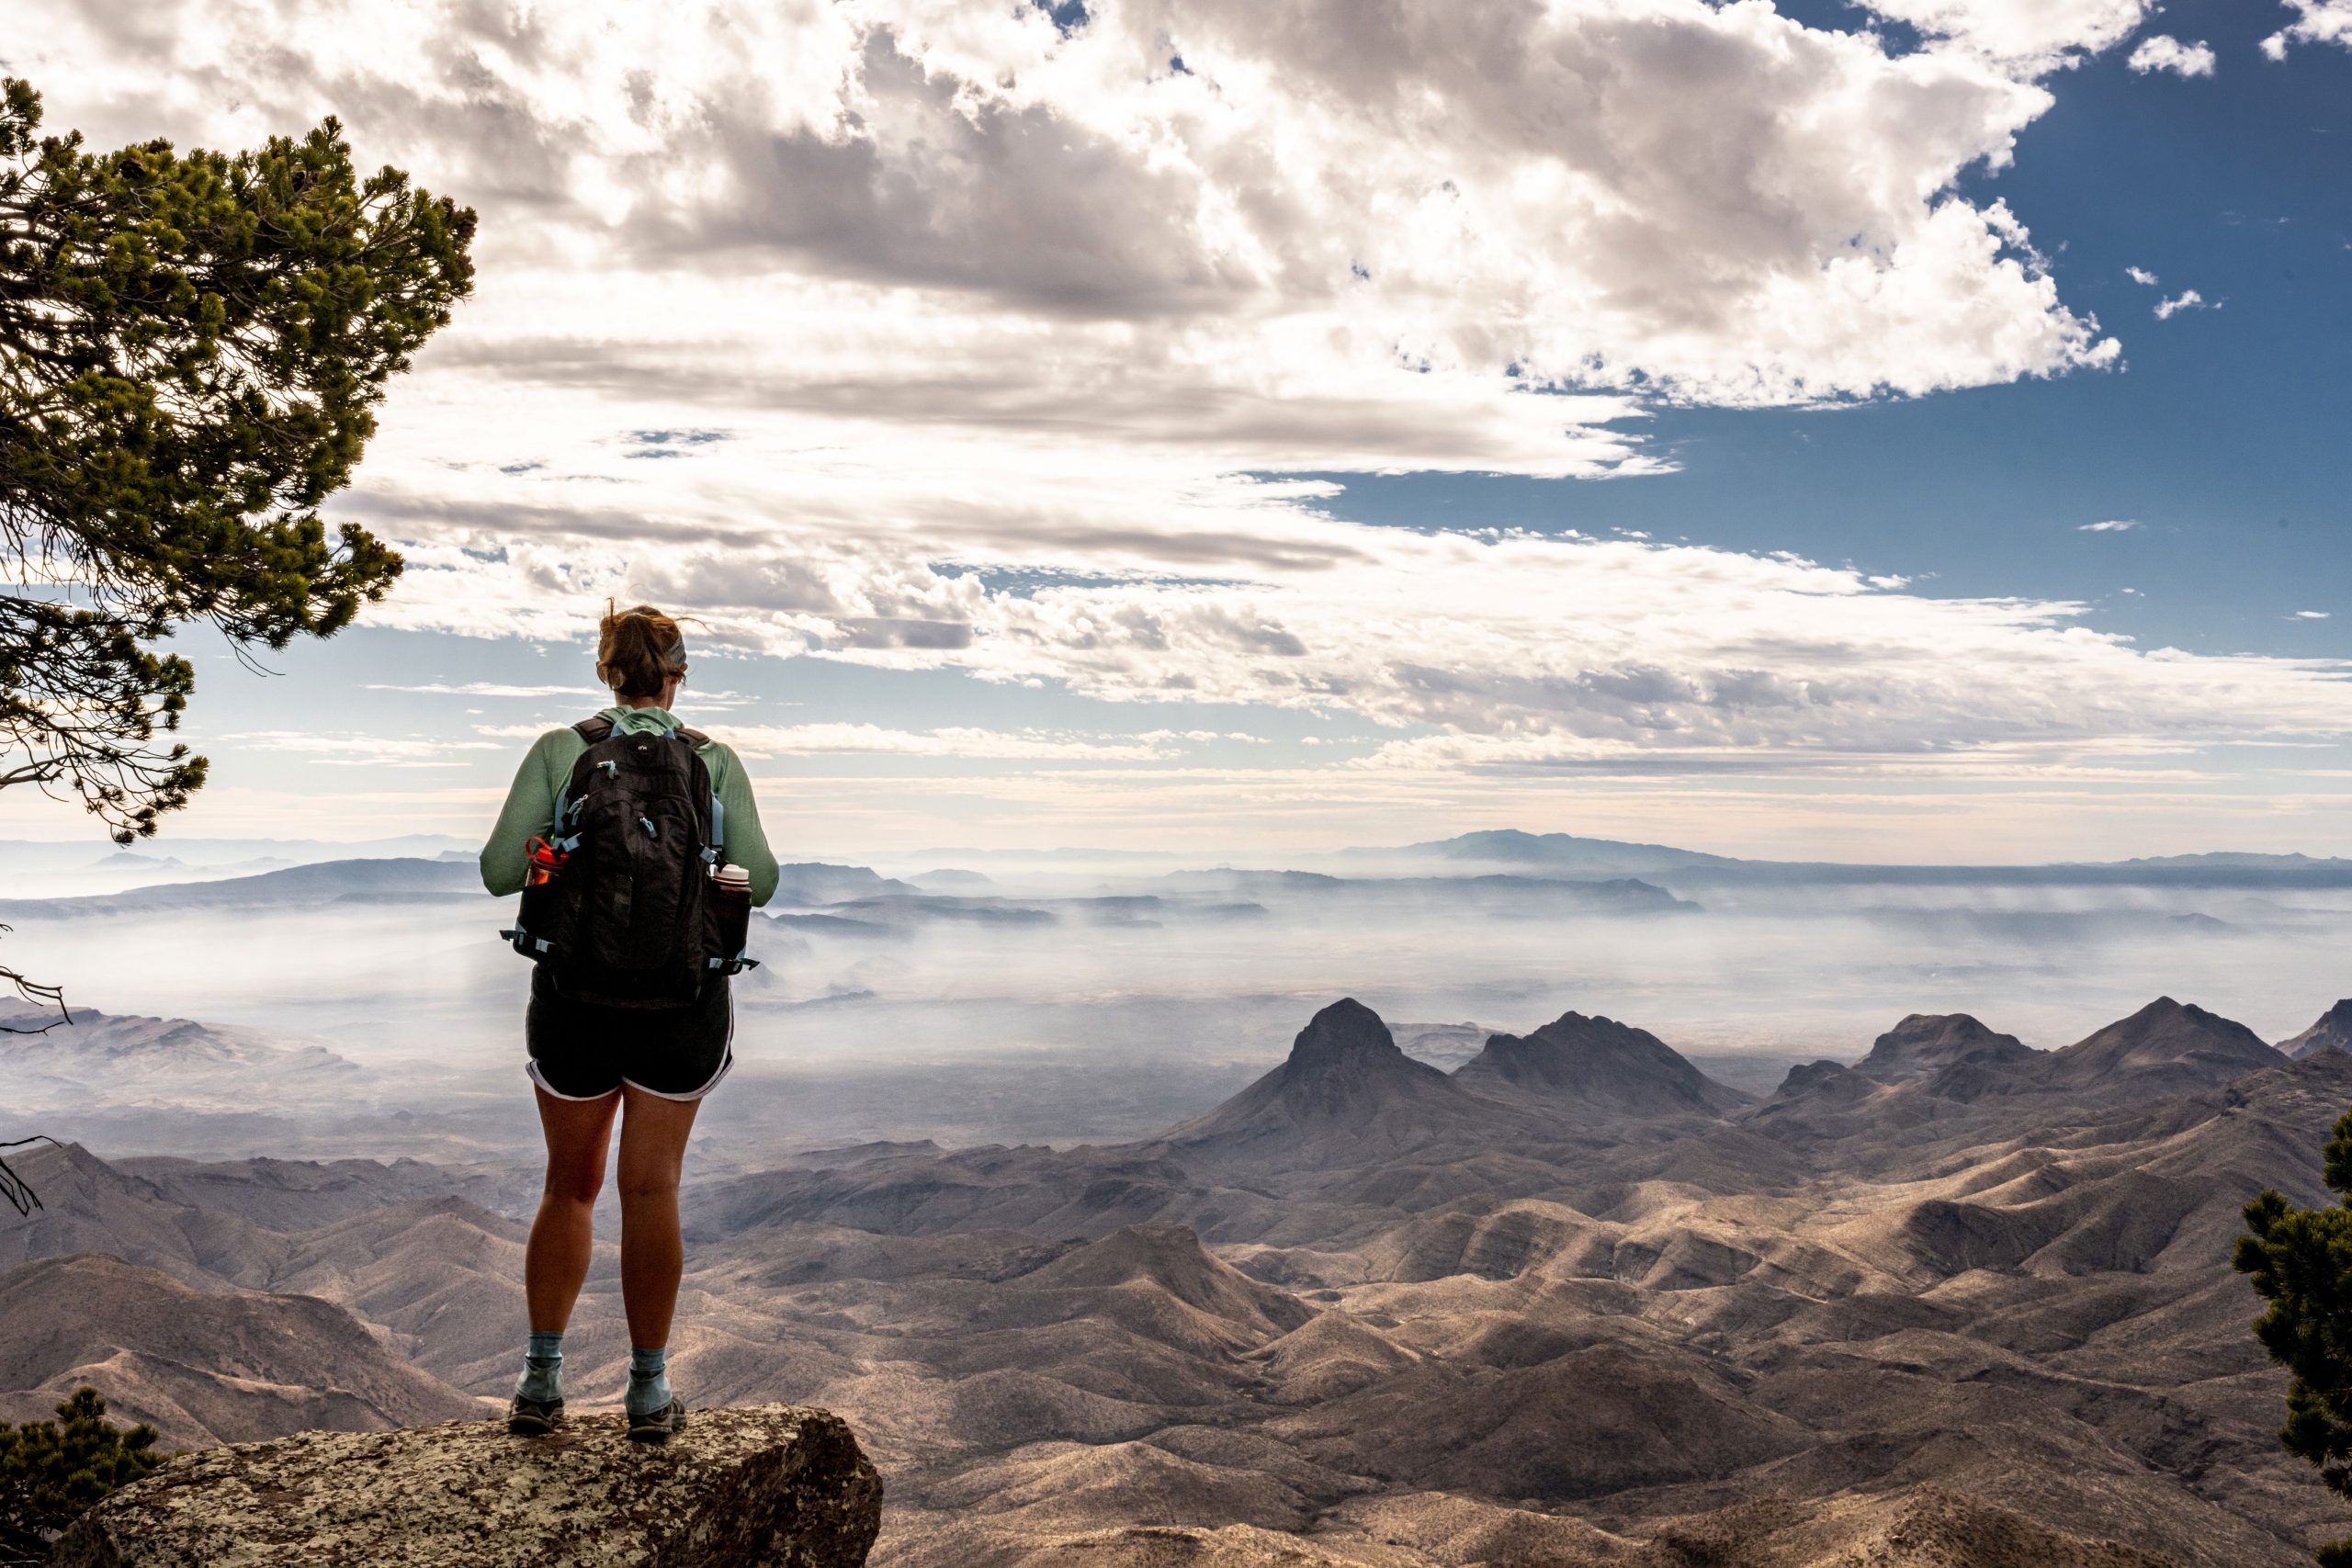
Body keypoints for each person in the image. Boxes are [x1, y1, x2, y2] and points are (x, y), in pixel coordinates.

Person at [479, 603, 779, 1443]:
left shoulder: (561, 750)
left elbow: (501, 871)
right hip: (681, 1009)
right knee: (652, 1190)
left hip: (575, 1000)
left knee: (567, 1187)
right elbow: (766, 881)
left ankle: (541, 1382)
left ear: (605, 671)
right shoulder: (711, 760)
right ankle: (647, 1393)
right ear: (679, 675)